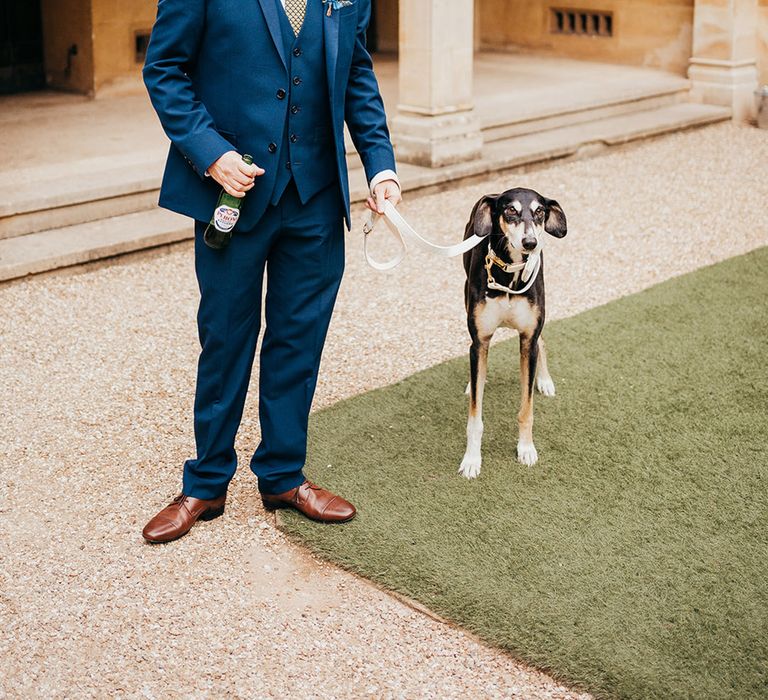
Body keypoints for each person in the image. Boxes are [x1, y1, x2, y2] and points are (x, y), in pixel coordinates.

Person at [141, 0, 401, 543]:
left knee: (299, 339)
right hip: (232, 195)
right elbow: (164, 69)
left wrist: (381, 167)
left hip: (317, 198)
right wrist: (212, 154)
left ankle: (283, 476)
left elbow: (355, 72)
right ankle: (207, 482)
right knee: (226, 336)